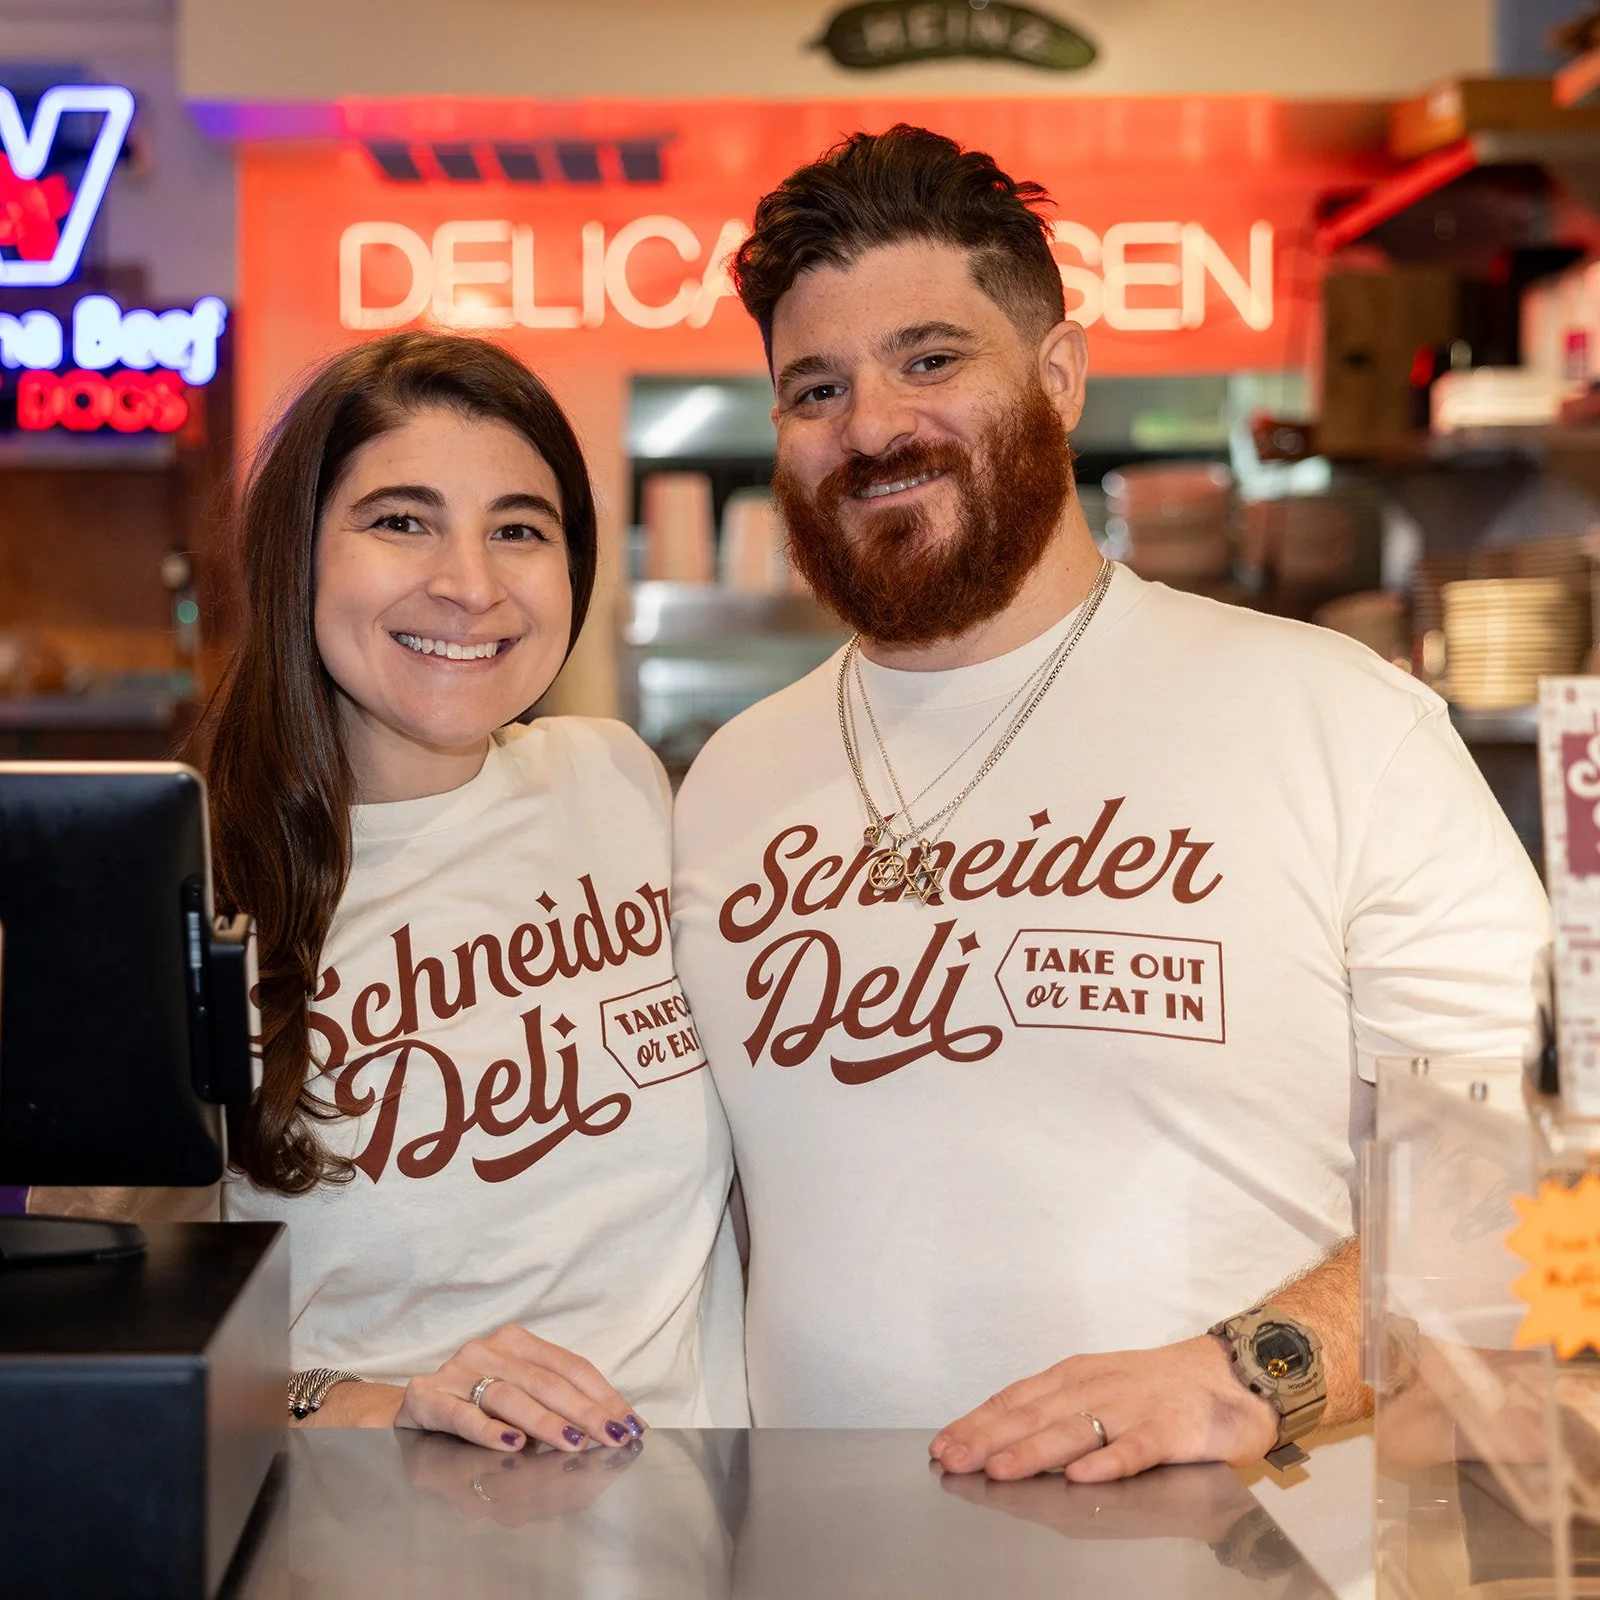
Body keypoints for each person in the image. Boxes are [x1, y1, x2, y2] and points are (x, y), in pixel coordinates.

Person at [670, 126, 1549, 1482]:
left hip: (1245, 1560)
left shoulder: (1342, 727)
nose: (874, 428)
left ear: (1062, 377)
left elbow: (1520, 1176)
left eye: (931, 359)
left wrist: (1250, 1375)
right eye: (815, 387)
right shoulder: (728, 778)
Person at [38, 331, 746, 1450]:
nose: (469, 584)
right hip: (364, 1541)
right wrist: (359, 1401)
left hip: (686, 1536)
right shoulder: (166, 910)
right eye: (400, 520)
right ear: (298, 554)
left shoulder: (618, 783)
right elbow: (94, 1343)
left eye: (519, 528)